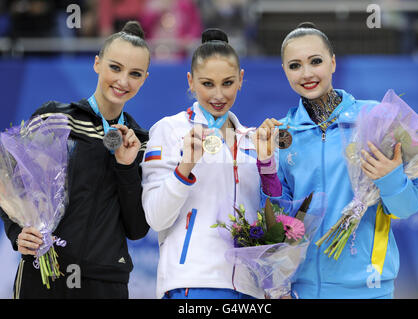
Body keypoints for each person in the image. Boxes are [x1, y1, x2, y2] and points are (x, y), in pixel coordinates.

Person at [254, 22, 418, 299]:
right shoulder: (281, 135)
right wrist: (266, 167)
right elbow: (280, 221)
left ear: (333, 62)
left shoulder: (376, 118)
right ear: (284, 71)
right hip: (302, 292)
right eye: (295, 66)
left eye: (316, 61)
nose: (307, 73)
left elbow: (408, 207)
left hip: (370, 291)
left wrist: (390, 177)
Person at [0, 20, 151, 299]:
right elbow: (9, 183)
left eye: (135, 74)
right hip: (45, 273)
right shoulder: (54, 119)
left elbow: (137, 229)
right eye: (115, 67)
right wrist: (17, 232)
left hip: (107, 281)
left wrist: (126, 166)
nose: (122, 81)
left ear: (144, 79)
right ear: (97, 63)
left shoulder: (140, 141)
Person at [141, 28, 264, 299]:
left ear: (241, 79)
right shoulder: (170, 130)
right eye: (207, 84)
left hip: (249, 289)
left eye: (228, 83)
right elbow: (156, 217)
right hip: (193, 283)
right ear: (191, 81)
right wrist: (185, 168)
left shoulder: (254, 140)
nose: (218, 95)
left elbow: (269, 216)